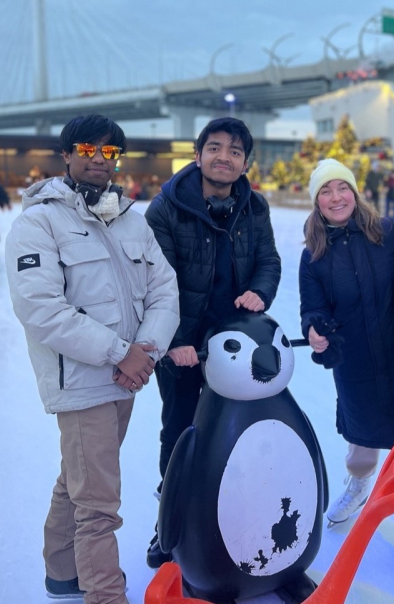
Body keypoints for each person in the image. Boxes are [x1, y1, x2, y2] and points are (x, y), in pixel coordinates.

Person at [5, 115, 180, 603]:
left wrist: (145, 350)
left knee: (80, 478)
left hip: (126, 377)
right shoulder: (38, 223)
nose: (99, 160)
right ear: (65, 154)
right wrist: (120, 353)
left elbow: (164, 289)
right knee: (99, 502)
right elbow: (42, 310)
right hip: (82, 382)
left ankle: (61, 571)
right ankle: (105, 594)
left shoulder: (129, 219)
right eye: (88, 149)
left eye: (110, 153)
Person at [144, 116, 282, 568]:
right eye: (216, 148)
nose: (225, 157)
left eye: (236, 151)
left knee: (238, 430)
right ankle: (169, 524)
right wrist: (178, 341)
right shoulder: (166, 208)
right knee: (182, 431)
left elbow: (268, 260)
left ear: (245, 163)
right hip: (183, 346)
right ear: (198, 154)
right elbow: (155, 280)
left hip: (236, 342)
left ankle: (235, 514)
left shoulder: (254, 207)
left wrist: (260, 291)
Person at [298, 158, 394, 568]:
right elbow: (312, 309)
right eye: (326, 192)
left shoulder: (387, 234)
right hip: (355, 364)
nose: (336, 198)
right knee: (361, 440)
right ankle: (358, 483)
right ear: (316, 202)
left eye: (342, 188)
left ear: (355, 192)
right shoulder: (314, 255)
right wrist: (316, 329)